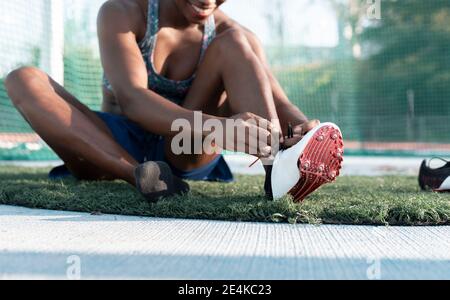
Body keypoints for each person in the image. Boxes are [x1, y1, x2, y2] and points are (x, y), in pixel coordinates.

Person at [5, 0, 318, 202]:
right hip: (112, 147)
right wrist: (219, 126)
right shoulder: (123, 13)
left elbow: (280, 102)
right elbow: (132, 100)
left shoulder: (232, 33)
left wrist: (305, 131)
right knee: (23, 78)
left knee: (235, 44)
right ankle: (142, 176)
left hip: (185, 148)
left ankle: (277, 168)